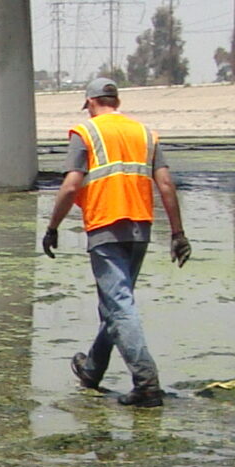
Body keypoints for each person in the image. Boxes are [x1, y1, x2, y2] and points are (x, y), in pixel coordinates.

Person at [41, 76, 190, 408]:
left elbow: (69, 186)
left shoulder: (86, 133)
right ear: (116, 102)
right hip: (140, 230)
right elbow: (166, 185)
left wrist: (52, 227)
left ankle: (147, 383)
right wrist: (178, 234)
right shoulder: (144, 134)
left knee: (120, 306)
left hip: (106, 227)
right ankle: (92, 369)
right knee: (116, 305)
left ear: (91, 103)